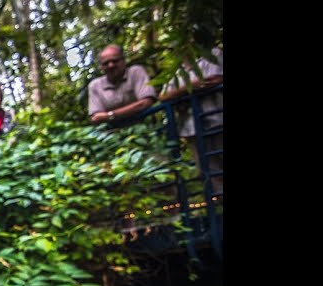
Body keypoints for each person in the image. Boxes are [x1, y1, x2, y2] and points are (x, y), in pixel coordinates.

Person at [158, 47, 223, 196]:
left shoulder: (213, 54)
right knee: (210, 174)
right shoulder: (178, 71)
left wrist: (181, 91)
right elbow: (163, 96)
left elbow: (215, 79)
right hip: (193, 129)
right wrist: (190, 87)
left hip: (217, 119)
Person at [87, 44, 157, 124]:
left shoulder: (135, 72)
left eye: (115, 61)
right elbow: (97, 117)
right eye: (106, 63)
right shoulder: (95, 85)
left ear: (124, 61)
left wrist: (110, 115)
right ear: (101, 67)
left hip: (144, 125)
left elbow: (146, 102)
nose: (111, 65)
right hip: (113, 130)